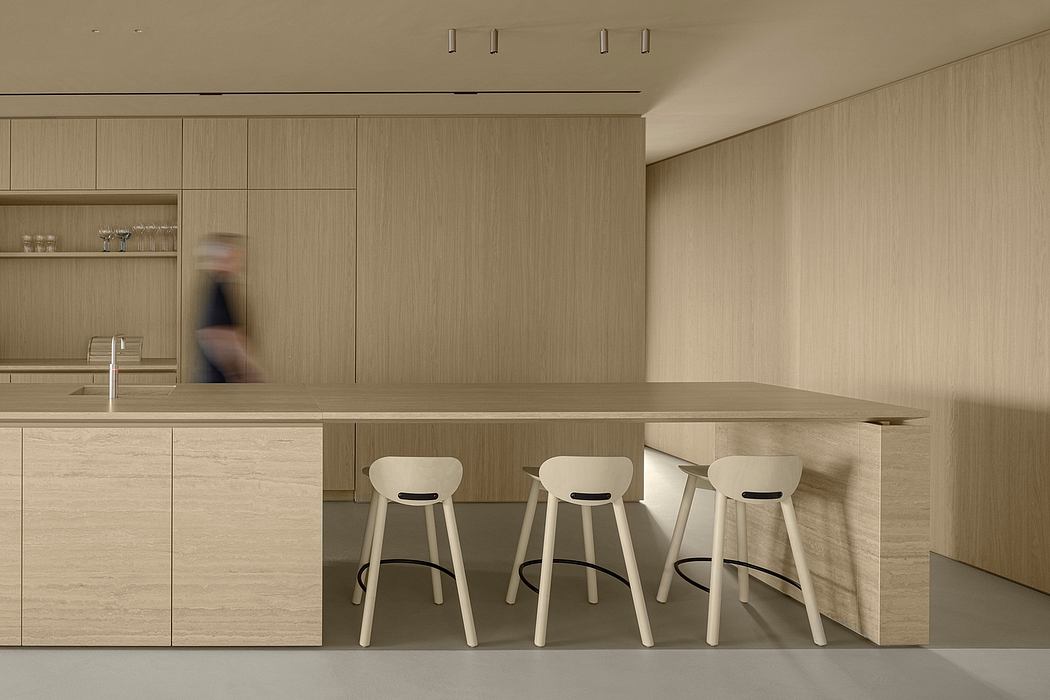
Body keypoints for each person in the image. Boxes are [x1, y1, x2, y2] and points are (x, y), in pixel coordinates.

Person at [195, 233, 262, 382]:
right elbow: (213, 335)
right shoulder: (215, 289)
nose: (239, 262)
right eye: (234, 257)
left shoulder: (223, 286)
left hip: (221, 381)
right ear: (222, 260)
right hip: (215, 384)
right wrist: (247, 368)